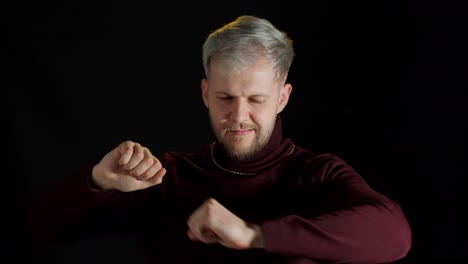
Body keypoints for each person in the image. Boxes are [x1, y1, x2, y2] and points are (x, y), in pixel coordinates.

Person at [24, 15, 412, 264]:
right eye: (226, 98)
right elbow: (36, 228)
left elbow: (394, 235)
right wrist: (96, 183)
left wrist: (253, 235)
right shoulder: (165, 177)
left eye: (256, 100)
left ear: (282, 98)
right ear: (206, 94)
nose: (238, 116)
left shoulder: (316, 174)